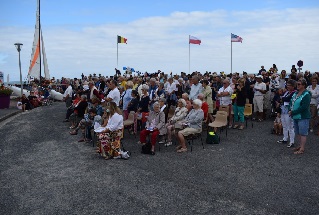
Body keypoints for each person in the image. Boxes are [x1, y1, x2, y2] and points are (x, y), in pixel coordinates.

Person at [289, 78, 311, 155]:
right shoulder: (295, 93)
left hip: (303, 116)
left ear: (304, 85)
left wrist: (293, 112)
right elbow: (291, 102)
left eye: (299, 84)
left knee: (303, 133)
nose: (297, 86)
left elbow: (304, 107)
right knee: (297, 132)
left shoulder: (306, 94)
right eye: (297, 84)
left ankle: (302, 148)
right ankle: (300, 145)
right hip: (295, 116)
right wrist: (290, 109)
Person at [277, 80, 296, 147]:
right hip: (283, 110)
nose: (288, 86)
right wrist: (282, 99)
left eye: (289, 85)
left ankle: (292, 141)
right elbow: (281, 99)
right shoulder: (287, 92)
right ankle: (285, 138)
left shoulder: (294, 93)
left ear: (293, 86)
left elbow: (288, 99)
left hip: (289, 111)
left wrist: (282, 98)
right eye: (287, 85)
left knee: (290, 126)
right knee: (284, 125)